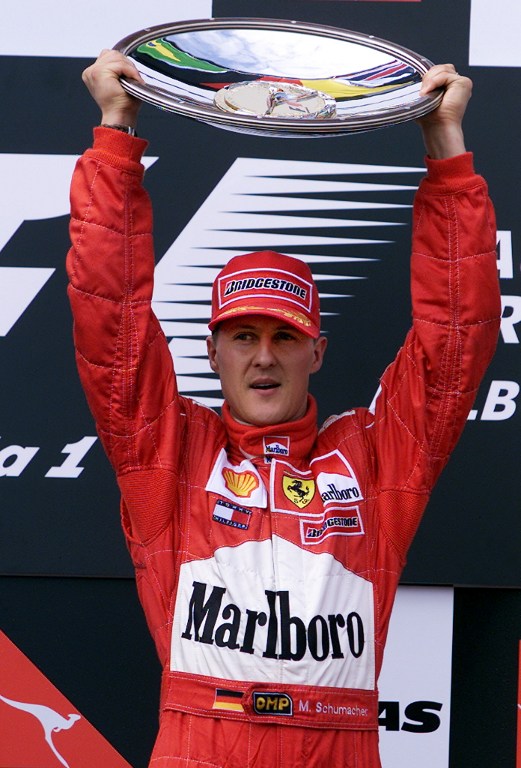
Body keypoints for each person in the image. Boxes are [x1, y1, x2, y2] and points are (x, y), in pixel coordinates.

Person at [67, 49, 500, 768]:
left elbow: (455, 340)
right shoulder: (168, 456)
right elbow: (109, 321)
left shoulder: (373, 458)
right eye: (242, 337)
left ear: (317, 351)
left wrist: (445, 151)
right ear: (212, 352)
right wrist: (116, 134)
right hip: (198, 746)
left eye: (283, 337)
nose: (263, 356)